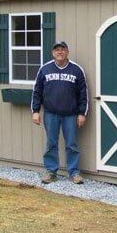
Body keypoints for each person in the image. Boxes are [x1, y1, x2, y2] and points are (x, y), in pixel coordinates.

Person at [31, 41, 88, 184]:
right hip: (50, 113)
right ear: (53, 53)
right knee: (51, 143)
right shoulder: (45, 69)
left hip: (71, 114)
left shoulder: (76, 70)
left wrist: (82, 113)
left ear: (67, 52)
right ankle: (51, 172)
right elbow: (37, 92)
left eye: (62, 49)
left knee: (72, 144)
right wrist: (35, 111)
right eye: (57, 50)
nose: (60, 52)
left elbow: (83, 93)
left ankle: (74, 173)